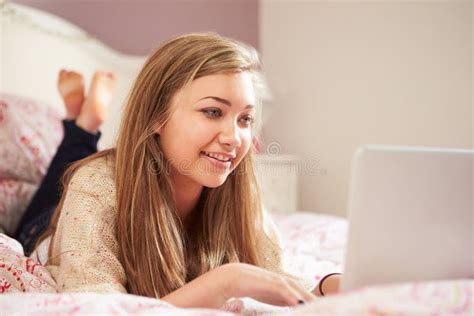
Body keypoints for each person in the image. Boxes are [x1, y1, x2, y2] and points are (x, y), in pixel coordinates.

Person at [24, 33, 341, 309]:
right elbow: (96, 305)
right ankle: (82, 127)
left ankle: (81, 123)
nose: (234, 138)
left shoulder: (239, 190)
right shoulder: (96, 185)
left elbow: (276, 279)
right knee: (66, 174)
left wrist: (327, 286)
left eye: (244, 119)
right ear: (157, 117)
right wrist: (224, 282)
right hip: (43, 229)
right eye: (212, 111)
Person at [14, 69, 116, 255]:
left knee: (31, 233)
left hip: (48, 232)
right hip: (60, 234)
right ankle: (79, 125)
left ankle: (80, 126)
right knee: (27, 236)